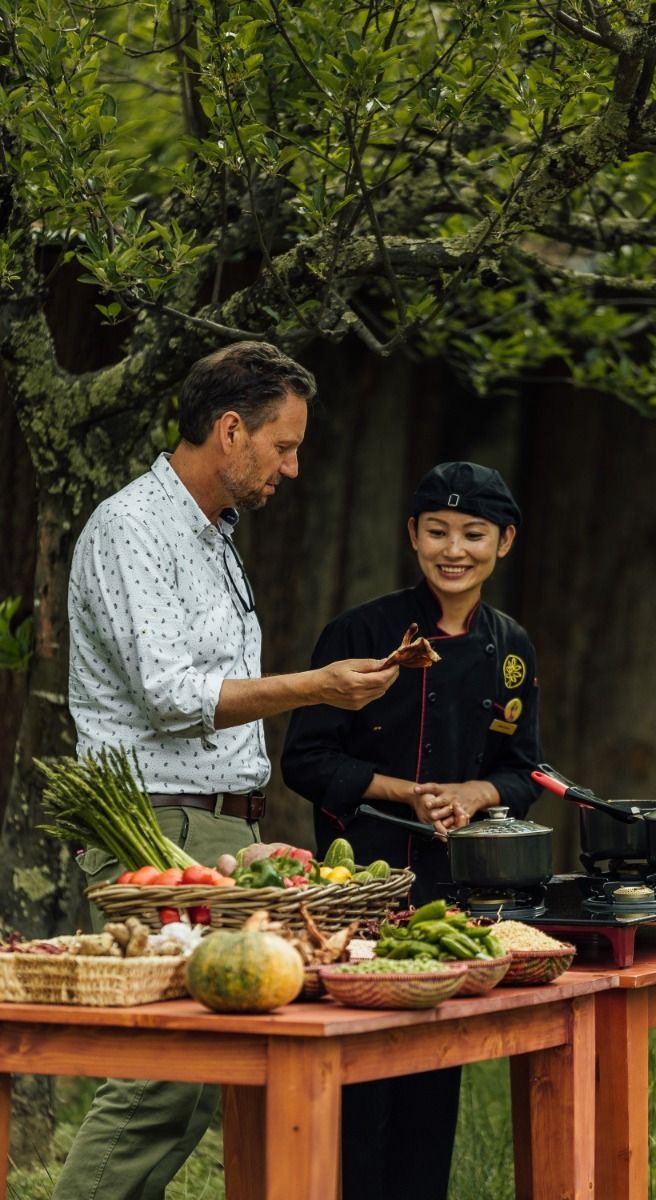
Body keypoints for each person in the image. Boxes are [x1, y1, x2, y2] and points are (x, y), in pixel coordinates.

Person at [55, 340, 399, 1200]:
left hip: (210, 824)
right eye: (284, 446)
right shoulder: (133, 527)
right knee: (158, 1081)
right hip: (153, 823)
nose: (293, 467)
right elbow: (172, 696)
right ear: (231, 430)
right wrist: (317, 687)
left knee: (193, 1081)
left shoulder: (213, 534)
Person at [281, 460, 542, 1200]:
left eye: (473, 534)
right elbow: (306, 760)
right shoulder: (361, 630)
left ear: (505, 542)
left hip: (452, 901)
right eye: (437, 531)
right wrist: (410, 794)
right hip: (357, 892)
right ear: (412, 535)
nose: (453, 550)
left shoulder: (511, 647)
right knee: (359, 1089)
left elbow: (525, 771)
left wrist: (473, 793)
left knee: (433, 1077)